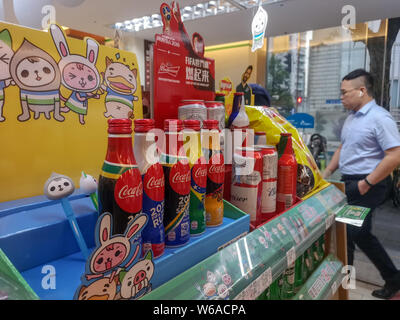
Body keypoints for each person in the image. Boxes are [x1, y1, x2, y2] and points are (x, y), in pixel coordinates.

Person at [323, 69, 400, 299]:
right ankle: (393, 280)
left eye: (345, 93)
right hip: (350, 182)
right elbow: (342, 148)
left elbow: (395, 155)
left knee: (351, 232)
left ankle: (343, 288)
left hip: (369, 184)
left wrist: (366, 183)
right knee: (355, 234)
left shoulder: (380, 118)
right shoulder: (351, 118)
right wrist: (326, 172)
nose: (342, 97)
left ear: (362, 90)